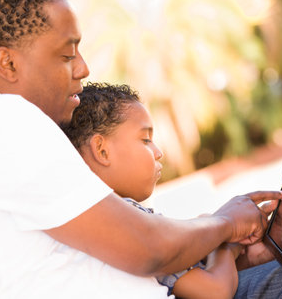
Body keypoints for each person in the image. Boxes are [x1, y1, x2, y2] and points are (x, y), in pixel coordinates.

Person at [0, 0, 282, 298]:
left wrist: (230, 240)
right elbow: (147, 249)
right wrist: (225, 224)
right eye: (66, 54)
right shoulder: (1, 127)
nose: (83, 68)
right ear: (8, 62)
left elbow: (125, 243)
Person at [62, 81, 246, 298]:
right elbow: (215, 291)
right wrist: (225, 244)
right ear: (102, 150)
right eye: (145, 139)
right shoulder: (126, 218)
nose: (158, 152)